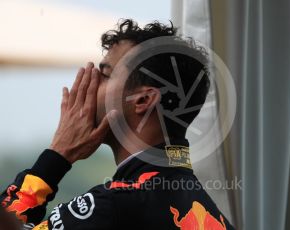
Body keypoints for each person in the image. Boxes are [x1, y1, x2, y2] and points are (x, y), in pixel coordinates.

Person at [1, 19, 235, 229]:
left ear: (143, 100)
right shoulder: (211, 214)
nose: (87, 82)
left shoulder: (112, 207)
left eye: (103, 76)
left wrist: (56, 157)